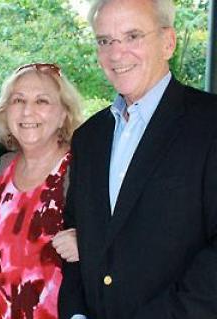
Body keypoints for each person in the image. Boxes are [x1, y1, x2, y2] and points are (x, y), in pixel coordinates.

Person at [58, 0, 217, 318]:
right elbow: (77, 237)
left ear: (168, 42)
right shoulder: (89, 137)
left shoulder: (209, 123)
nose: (116, 54)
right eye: (105, 41)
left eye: (133, 36)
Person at [0, 63, 82, 319]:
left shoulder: (79, 170)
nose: (27, 111)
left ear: (64, 114)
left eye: (42, 101)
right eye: (18, 100)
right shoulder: (3, 167)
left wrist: (86, 241)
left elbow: (119, 241)